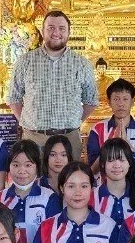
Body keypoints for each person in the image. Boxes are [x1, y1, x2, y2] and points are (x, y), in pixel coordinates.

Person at [8, 11, 98, 160]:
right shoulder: (25, 61)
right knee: (34, 181)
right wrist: (29, 124)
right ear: (42, 31)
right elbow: (14, 98)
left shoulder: (82, 64)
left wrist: (73, 123)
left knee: (69, 181)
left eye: (62, 28)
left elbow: (91, 101)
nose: (56, 32)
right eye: (50, 28)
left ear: (69, 32)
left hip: (69, 138)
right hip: (34, 138)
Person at [0, 140, 61, 243]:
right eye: (16, 165)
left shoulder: (50, 198)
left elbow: (54, 239)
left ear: (37, 167)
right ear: (9, 167)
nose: (21, 171)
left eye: (28, 165)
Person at [86, 78, 135, 173]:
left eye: (125, 99)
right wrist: (109, 147)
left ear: (133, 101)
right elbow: (92, 170)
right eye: (116, 99)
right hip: (104, 184)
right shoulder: (98, 129)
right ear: (109, 102)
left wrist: (130, 149)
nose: (121, 104)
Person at [91, 136, 135, 226]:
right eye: (111, 160)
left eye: (122, 160)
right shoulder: (91, 197)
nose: (117, 165)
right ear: (102, 164)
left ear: (129, 163)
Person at [41, 134, 73, 198]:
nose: (58, 160)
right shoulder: (38, 184)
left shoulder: (76, 184)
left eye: (63, 155)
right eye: (53, 155)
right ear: (46, 157)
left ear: (69, 158)